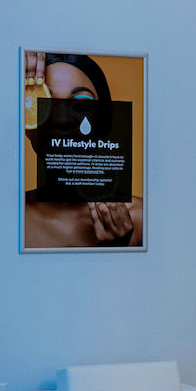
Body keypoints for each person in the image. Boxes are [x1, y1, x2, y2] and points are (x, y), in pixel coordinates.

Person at [23, 52, 142, 248]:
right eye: (44, 103)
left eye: (82, 104)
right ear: (28, 127)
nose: (61, 119)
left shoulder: (141, 218)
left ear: (104, 121)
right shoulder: (8, 217)